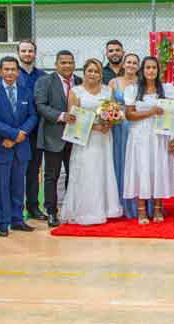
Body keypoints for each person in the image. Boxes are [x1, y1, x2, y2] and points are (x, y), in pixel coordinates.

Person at [60, 59, 123, 225]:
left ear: (100, 74)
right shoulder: (75, 92)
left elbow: (112, 112)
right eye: (90, 71)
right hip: (84, 139)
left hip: (103, 138)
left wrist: (109, 123)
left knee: (103, 169)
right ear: (84, 72)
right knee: (87, 171)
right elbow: (73, 118)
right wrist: (95, 127)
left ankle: (105, 208)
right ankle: (86, 211)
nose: (93, 74)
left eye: (96, 71)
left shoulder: (107, 91)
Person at [0, 56, 39, 237]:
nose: (10, 73)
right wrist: (13, 134)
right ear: (0, 71)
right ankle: (2, 222)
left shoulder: (26, 92)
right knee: (1, 187)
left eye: (13, 69)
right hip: (0, 148)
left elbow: (33, 116)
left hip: (21, 148)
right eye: (6, 69)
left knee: (18, 186)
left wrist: (19, 135)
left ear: (17, 72)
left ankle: (17, 219)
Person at [123, 56, 174, 223]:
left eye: (154, 67)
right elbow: (129, 114)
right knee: (142, 169)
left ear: (158, 70)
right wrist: (151, 112)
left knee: (158, 169)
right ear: (142, 70)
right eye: (148, 67)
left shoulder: (167, 89)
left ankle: (158, 209)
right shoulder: (133, 90)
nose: (151, 70)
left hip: (160, 135)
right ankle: (141, 211)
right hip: (140, 136)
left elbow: (173, 114)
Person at [34, 50, 82, 227]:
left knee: (74, 174)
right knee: (51, 177)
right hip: (53, 136)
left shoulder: (79, 82)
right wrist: (61, 116)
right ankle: (52, 212)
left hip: (75, 138)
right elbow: (40, 105)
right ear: (56, 64)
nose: (67, 66)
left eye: (70, 62)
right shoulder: (45, 81)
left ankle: (71, 209)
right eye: (63, 62)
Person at [16, 39, 47, 221]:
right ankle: (16, 208)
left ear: (35, 53)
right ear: (18, 53)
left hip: (36, 131)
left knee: (34, 171)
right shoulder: (11, 73)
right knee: (17, 171)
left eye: (30, 51)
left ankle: (33, 207)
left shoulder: (42, 76)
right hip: (16, 131)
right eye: (24, 51)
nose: (27, 54)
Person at [108, 53, 140, 218]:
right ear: (123, 64)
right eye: (129, 62)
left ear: (138, 66)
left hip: (137, 126)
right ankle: (121, 203)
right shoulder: (114, 82)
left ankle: (138, 204)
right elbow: (109, 105)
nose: (131, 65)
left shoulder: (141, 83)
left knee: (136, 162)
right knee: (120, 162)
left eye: (135, 63)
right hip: (120, 126)